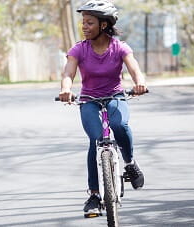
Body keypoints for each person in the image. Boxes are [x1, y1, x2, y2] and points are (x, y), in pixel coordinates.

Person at [58, 0, 148, 218]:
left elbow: (135, 69)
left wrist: (140, 83)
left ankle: (130, 163)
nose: (85, 26)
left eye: (90, 23)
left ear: (104, 25)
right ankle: (95, 195)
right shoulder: (79, 49)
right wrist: (66, 89)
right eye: (83, 22)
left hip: (115, 95)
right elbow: (68, 74)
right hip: (88, 98)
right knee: (95, 138)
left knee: (119, 124)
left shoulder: (120, 47)